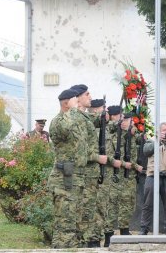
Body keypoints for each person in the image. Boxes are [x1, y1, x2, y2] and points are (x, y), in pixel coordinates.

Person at [47, 89, 87, 248]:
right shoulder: (58, 121)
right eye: (75, 102)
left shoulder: (72, 120)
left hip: (75, 179)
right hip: (63, 181)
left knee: (74, 225)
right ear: (66, 103)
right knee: (65, 226)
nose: (78, 106)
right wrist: (71, 110)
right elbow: (64, 129)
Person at [69, 85, 108, 248]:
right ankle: (83, 244)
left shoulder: (84, 117)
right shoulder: (75, 117)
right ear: (77, 98)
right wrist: (98, 158)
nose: (90, 97)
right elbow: (79, 150)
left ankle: (88, 242)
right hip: (82, 173)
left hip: (90, 174)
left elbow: (96, 121)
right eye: (87, 94)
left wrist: (104, 116)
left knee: (90, 211)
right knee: (83, 212)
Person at [116, 109, 144, 235]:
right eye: (128, 121)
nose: (131, 123)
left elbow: (140, 139)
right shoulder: (120, 136)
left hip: (132, 175)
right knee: (125, 202)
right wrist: (135, 166)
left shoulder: (130, 135)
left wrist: (135, 131)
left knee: (131, 202)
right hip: (124, 174)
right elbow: (120, 156)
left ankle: (125, 227)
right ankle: (123, 229)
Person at [102, 105, 124, 247]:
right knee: (106, 205)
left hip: (113, 174)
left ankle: (109, 234)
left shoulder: (113, 130)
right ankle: (106, 236)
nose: (122, 119)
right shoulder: (106, 129)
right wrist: (112, 161)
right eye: (120, 116)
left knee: (113, 204)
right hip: (105, 174)